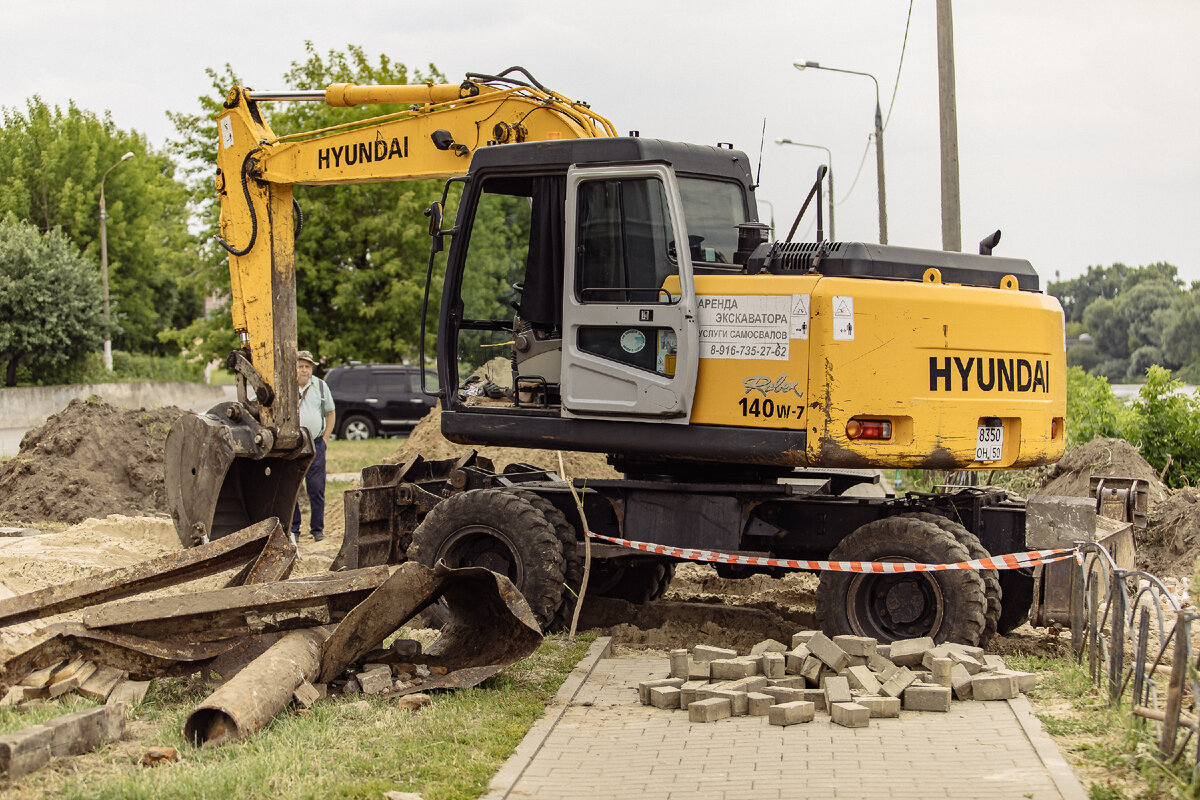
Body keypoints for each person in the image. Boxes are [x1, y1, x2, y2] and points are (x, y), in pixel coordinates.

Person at [293, 350, 336, 543]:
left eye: (307, 367)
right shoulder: (286, 386)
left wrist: (325, 438)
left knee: (316, 487)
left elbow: (331, 413)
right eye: (300, 366)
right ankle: (293, 529)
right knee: (291, 487)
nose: (304, 370)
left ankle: (317, 530)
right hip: (292, 444)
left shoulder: (320, 385)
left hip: (316, 442)